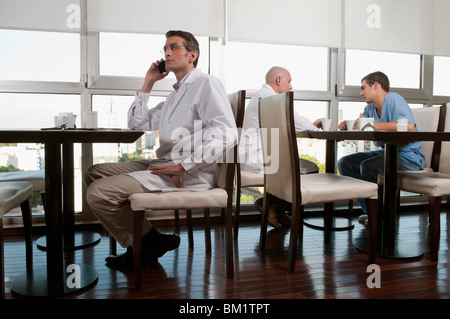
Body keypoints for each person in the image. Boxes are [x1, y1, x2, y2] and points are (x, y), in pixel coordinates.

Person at [85, 30, 237, 270]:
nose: (167, 52)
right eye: (165, 48)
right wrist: (149, 82)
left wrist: (184, 166)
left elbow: (228, 132)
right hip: (165, 163)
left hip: (188, 171)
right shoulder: (175, 96)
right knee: (95, 172)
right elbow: (137, 123)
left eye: (174, 47)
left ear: (192, 55)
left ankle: (143, 245)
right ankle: (150, 241)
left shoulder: (205, 83)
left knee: (98, 193)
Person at [240, 66, 323, 229]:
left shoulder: (259, 96)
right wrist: (318, 128)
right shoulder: (272, 99)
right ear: (279, 80)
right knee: (311, 169)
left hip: (250, 157)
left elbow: (290, 123)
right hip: (260, 159)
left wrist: (306, 126)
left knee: (294, 165)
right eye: (289, 81)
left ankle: (275, 208)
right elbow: (297, 121)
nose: (291, 86)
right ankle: (272, 205)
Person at [337, 71, 425, 224]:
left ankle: (380, 214)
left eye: (363, 88)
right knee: (345, 163)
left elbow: (409, 126)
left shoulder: (394, 99)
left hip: (410, 157)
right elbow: (362, 125)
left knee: (368, 166)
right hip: (387, 153)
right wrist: (347, 124)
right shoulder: (370, 108)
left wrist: (373, 125)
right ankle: (372, 211)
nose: (361, 93)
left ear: (376, 85)